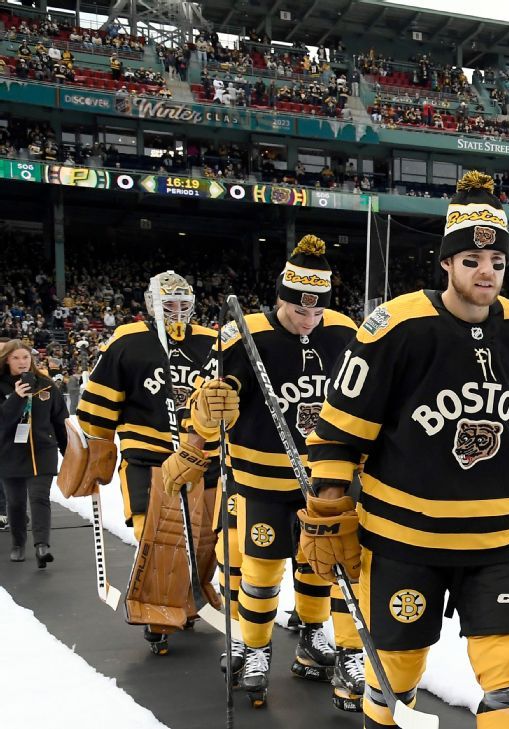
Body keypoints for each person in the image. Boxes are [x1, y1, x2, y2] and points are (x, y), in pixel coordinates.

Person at [301, 171, 509, 729]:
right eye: (472, 261)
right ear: (447, 263)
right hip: (405, 541)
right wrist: (332, 507)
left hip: (500, 541)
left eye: (497, 263)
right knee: (395, 673)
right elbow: (339, 433)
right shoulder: (396, 326)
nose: (486, 273)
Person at [188, 235, 362, 708]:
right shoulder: (243, 335)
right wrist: (209, 410)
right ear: (281, 297)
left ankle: (318, 639)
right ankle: (255, 646)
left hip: (326, 479)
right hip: (261, 477)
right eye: (298, 310)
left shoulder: (344, 332)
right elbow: (202, 407)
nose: (308, 320)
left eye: (316, 311)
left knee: (328, 564)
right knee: (262, 570)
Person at [62, 271, 221, 656]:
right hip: (150, 456)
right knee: (160, 537)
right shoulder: (128, 341)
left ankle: (192, 596)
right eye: (169, 305)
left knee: (205, 537)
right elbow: (97, 407)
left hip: (203, 457)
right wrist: (93, 454)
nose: (177, 312)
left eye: (184, 305)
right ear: (152, 305)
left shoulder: (213, 343)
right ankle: (157, 611)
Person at [0, 340, 68, 565]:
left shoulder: (46, 385)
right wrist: (17, 398)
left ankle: (41, 545)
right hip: (9, 453)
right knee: (16, 503)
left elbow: (61, 421)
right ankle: (18, 543)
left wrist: (68, 452)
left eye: (26, 357)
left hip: (42, 451)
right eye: (16, 358)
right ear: (7, 360)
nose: (22, 362)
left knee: (39, 497)